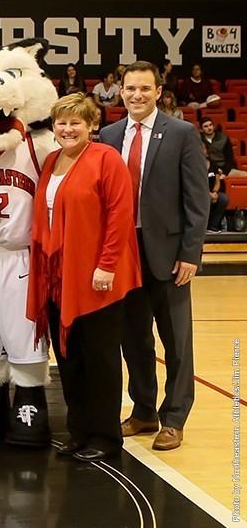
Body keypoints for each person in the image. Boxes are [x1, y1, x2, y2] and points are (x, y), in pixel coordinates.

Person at [26, 93, 141, 462]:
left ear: (92, 125)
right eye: (62, 122)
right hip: (60, 276)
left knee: (100, 360)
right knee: (69, 357)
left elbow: (120, 217)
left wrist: (106, 265)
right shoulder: (50, 161)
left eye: (76, 122)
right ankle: (79, 431)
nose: (68, 128)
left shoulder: (107, 159)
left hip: (97, 277)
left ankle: (105, 437)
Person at [100, 61, 209, 451]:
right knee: (134, 339)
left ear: (158, 92)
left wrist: (191, 253)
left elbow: (197, 200)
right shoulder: (109, 135)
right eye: (130, 88)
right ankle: (144, 410)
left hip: (169, 254)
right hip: (124, 254)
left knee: (177, 341)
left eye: (145, 89)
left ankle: (175, 417)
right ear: (121, 91)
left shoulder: (181, 133)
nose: (137, 95)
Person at [205, 142, 230, 232]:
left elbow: (217, 180)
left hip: (212, 192)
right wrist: (208, 194)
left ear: (207, 152)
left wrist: (215, 192)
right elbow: (196, 183)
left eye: (203, 149)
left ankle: (213, 226)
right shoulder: (194, 165)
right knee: (205, 199)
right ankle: (203, 226)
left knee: (223, 199)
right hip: (200, 193)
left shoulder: (213, 164)